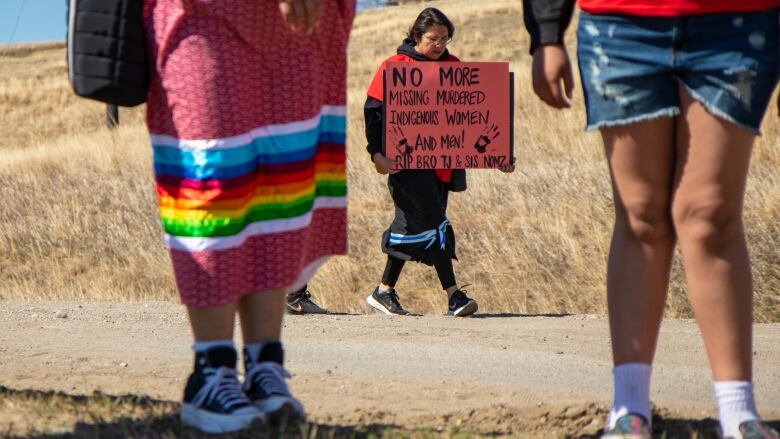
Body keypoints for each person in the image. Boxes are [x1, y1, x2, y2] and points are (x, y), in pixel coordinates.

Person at [523, 0, 779, 438]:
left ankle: (738, 414)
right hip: (619, 27)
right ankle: (630, 411)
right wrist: (547, 31)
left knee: (709, 217)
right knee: (641, 215)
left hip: (738, 24)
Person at [144, 0, 354, 433]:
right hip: (203, 12)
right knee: (213, 177)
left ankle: (264, 367)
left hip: (303, 21)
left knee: (283, 181)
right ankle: (212, 371)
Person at [363, 7, 515, 318]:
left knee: (415, 226)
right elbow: (372, 111)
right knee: (435, 223)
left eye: (445, 39)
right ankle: (454, 295)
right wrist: (376, 154)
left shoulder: (454, 68)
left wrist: (498, 155)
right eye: (434, 38)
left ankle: (383, 291)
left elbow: (476, 117)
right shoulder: (395, 66)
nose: (440, 44)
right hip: (405, 165)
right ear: (417, 36)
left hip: (443, 166)